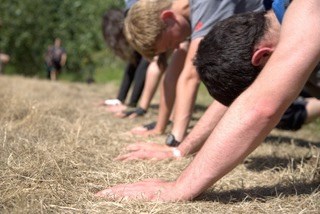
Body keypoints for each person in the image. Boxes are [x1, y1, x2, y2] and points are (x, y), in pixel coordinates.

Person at [95, 0, 320, 201]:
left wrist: (179, 187)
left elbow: (260, 105)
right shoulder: (273, 12)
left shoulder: (304, 10)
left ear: (261, 55)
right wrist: (180, 149)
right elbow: (244, 96)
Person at [123, 0, 264, 145]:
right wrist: (160, 127)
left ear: (168, 18)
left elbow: (191, 76)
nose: (177, 46)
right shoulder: (184, 15)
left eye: (171, 43)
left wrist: (175, 141)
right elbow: (173, 73)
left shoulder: (205, 5)